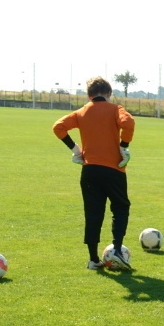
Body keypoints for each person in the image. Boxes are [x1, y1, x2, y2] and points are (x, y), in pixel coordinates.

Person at [53, 76, 135, 270]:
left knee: (93, 213)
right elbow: (128, 123)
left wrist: (75, 150)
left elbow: (58, 127)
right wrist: (124, 146)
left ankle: (93, 259)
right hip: (114, 169)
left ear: (89, 96)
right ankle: (116, 251)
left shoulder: (82, 111)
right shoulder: (116, 109)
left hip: (89, 170)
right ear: (108, 93)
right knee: (120, 207)